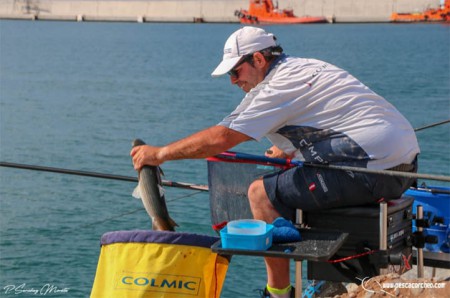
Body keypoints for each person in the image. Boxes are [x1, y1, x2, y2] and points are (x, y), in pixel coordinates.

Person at [131, 26, 420, 298]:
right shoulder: (302, 67)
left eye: (235, 71)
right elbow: (326, 114)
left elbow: (222, 138)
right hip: (402, 166)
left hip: (368, 169)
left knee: (260, 193)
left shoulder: (275, 89)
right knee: (288, 180)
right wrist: (287, 149)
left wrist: (159, 154)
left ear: (258, 58)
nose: (233, 80)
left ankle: (278, 292)